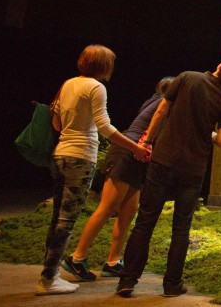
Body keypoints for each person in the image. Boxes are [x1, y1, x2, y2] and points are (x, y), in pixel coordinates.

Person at [116, 56, 221, 298]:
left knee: (145, 221)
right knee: (181, 228)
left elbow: (162, 109)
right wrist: (207, 130)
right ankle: (172, 285)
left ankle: (127, 281)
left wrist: (147, 141)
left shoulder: (188, 77)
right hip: (193, 169)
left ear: (219, 67)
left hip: (163, 160)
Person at [37, 45, 151, 296]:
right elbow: (105, 127)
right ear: (105, 66)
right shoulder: (96, 87)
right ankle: (49, 279)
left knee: (58, 218)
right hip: (80, 157)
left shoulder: (68, 84)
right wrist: (136, 148)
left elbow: (56, 122)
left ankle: (49, 274)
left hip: (61, 154)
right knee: (66, 222)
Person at [61, 76, 174, 281]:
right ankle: (76, 258)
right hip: (127, 153)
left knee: (128, 212)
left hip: (139, 158)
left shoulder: (158, 100)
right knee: (108, 207)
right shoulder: (162, 103)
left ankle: (113, 261)